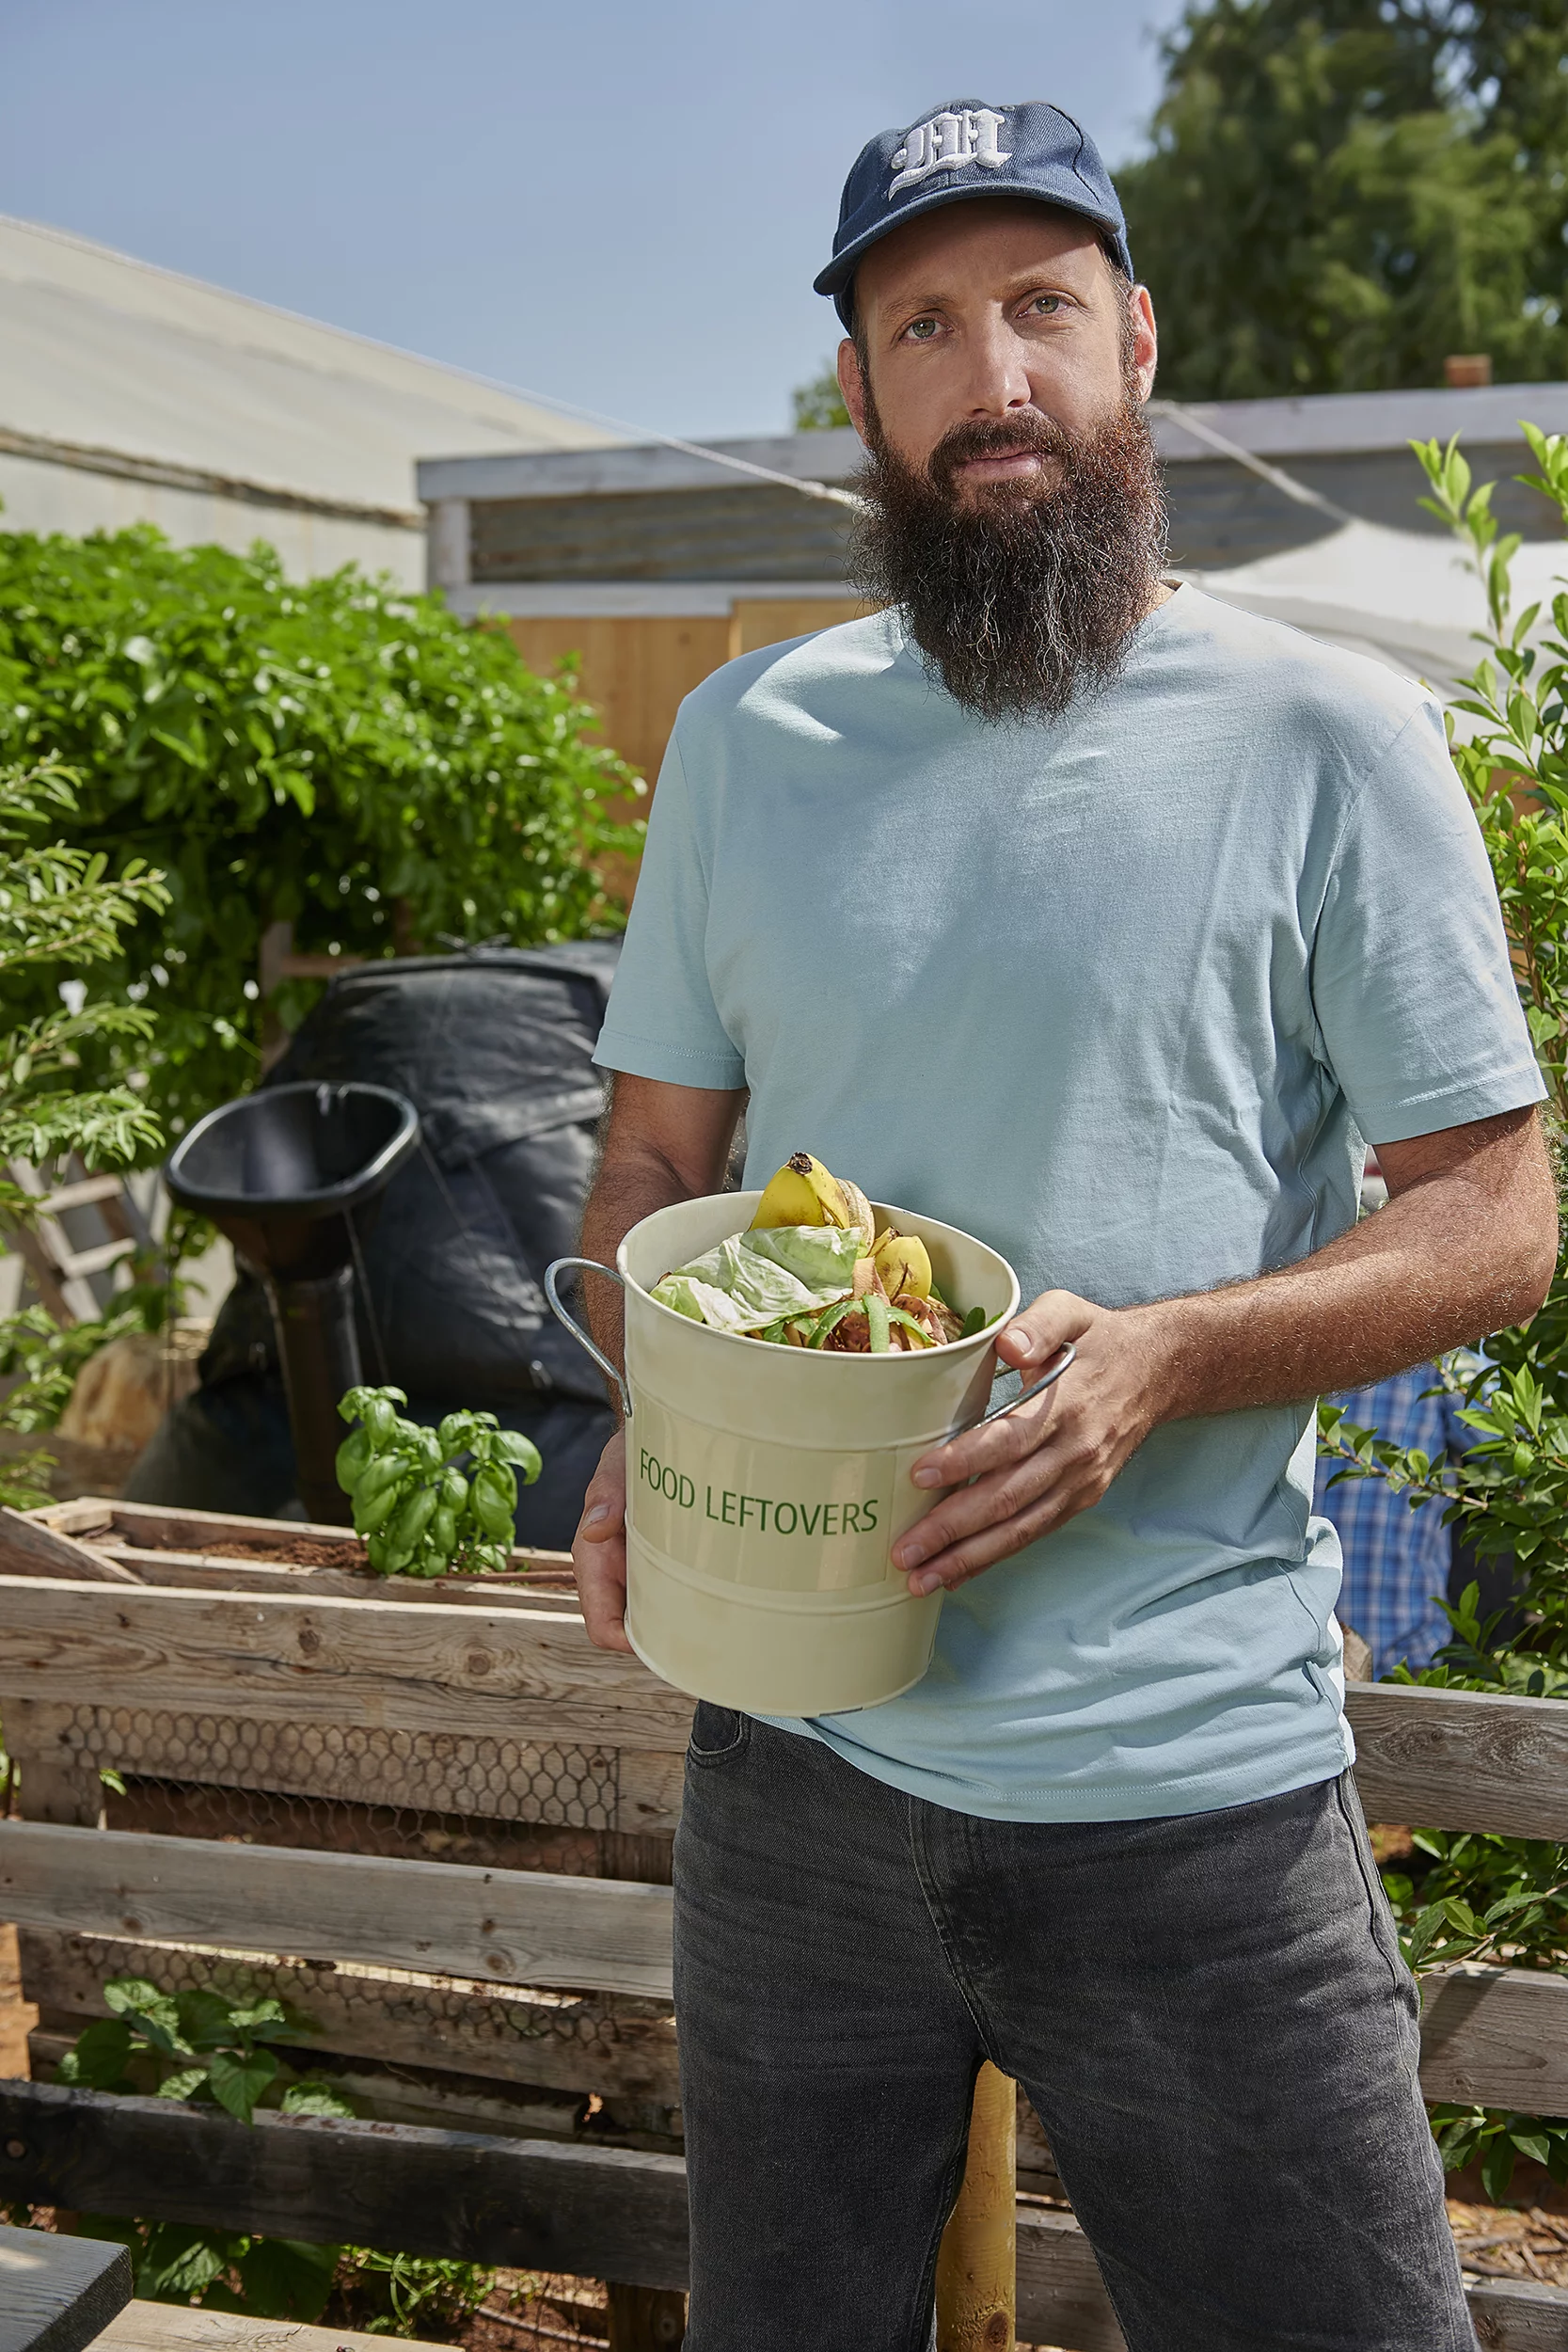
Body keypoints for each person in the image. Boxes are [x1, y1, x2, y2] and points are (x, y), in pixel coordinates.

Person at [571, 98, 1557, 2351]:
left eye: (1037, 309)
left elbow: (1500, 1217)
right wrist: (659, 1416)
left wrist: (1163, 1359)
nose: (987, 371)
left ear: (1133, 340)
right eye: (923, 322)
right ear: (860, 390)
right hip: (795, 1765)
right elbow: (651, 1173)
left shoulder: (1330, 733)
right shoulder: (747, 740)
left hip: (1188, 1783)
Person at [1318, 1359, 1478, 1677]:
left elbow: (1518, 1444)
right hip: (1295, 1657)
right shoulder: (1291, 1339)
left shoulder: (1438, 1353)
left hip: (1401, 1658)